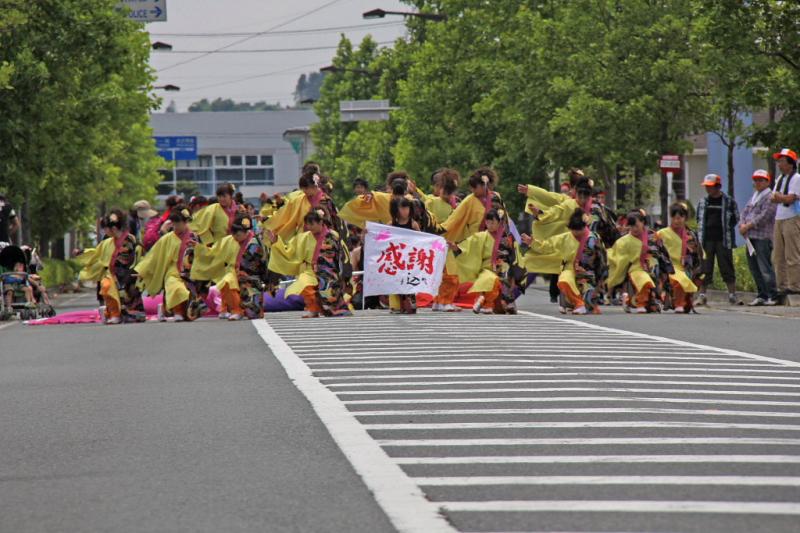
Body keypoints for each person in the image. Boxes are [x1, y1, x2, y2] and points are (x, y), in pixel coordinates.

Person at [267, 210, 352, 318]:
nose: (309, 227)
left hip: (329, 270)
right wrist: (276, 242)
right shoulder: (303, 237)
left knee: (330, 291)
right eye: (307, 224)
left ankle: (332, 309)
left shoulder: (333, 235)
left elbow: (342, 253)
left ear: (320, 222)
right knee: (304, 284)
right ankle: (313, 309)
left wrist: (344, 271)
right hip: (309, 270)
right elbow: (289, 250)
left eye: (312, 224)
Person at [523, 208, 607, 315]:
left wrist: (601, 280)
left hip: (589, 273)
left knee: (589, 302)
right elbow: (548, 245)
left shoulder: (593, 238)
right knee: (563, 280)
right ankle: (579, 303)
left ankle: (586, 303)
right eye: (573, 230)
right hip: (570, 268)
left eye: (578, 230)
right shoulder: (565, 238)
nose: (575, 233)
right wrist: (533, 243)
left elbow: (602, 258)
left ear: (584, 227)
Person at [77, 209, 143, 324]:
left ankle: (120, 313)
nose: (104, 231)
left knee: (114, 286)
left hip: (127, 274)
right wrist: (82, 252)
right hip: (113, 274)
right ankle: (114, 313)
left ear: (113, 228)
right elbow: (96, 253)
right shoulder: (107, 242)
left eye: (105, 228)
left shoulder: (129, 239)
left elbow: (127, 259)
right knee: (106, 285)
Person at [135, 207, 200, 322]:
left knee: (190, 295)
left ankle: (175, 311)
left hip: (191, 271)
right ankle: (178, 312)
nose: (175, 227)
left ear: (185, 222)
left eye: (178, 223)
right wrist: (142, 271)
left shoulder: (194, 237)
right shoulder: (168, 238)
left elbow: (202, 254)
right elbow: (154, 255)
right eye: (173, 224)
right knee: (175, 287)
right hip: (173, 270)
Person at [452, 209, 519, 314]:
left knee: (502, 301)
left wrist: (514, 271)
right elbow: (468, 246)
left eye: (493, 222)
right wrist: (457, 248)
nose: (490, 225)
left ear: (499, 223)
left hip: (504, 269)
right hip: (487, 268)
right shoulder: (481, 236)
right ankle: (485, 301)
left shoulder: (507, 238)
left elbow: (514, 255)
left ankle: (486, 300)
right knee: (488, 279)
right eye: (488, 222)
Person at [607, 210, 673, 314]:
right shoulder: (623, 241)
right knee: (644, 281)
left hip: (653, 268)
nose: (634, 229)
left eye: (636, 226)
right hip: (636, 269)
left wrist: (667, 269)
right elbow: (618, 258)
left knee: (653, 306)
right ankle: (640, 303)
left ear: (643, 222)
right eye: (631, 226)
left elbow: (662, 252)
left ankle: (629, 300)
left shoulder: (653, 236)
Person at [192, 215, 256, 321]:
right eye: (233, 234)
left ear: (246, 232)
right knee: (226, 281)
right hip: (233, 270)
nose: (235, 237)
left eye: (238, 234)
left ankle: (238, 309)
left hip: (251, 273)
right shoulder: (228, 240)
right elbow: (213, 251)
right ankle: (235, 310)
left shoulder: (254, 242)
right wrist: (199, 247)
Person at [695, 173, 740, 305]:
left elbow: (735, 218)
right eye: (706, 186)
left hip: (723, 240)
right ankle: (702, 295)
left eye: (710, 186)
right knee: (705, 268)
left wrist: (727, 229)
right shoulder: (703, 201)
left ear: (718, 187)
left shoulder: (729, 201)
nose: (708, 189)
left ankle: (732, 294)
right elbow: (699, 218)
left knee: (726, 266)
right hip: (706, 240)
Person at [739, 170, 779, 306]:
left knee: (765, 267)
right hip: (750, 237)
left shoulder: (770, 197)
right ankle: (761, 294)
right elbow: (744, 212)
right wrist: (742, 224)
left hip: (762, 237)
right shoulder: (755, 196)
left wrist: (748, 226)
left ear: (767, 182)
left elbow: (765, 216)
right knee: (754, 268)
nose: (758, 182)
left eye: (761, 180)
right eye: (756, 180)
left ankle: (772, 295)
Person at [657, 203, 703, 313]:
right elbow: (654, 249)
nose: (677, 220)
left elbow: (697, 253)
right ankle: (678, 304)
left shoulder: (690, 235)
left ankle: (682, 301)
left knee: (700, 276)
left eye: (680, 217)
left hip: (686, 267)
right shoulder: (661, 233)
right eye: (674, 217)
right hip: (669, 267)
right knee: (680, 279)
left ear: (685, 218)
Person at [771, 148, 800, 296]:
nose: (779, 164)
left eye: (782, 161)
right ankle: (781, 286)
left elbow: (791, 198)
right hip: (779, 218)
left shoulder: (797, 178)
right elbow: (772, 197)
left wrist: (780, 197)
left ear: (791, 163)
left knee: (792, 253)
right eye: (778, 161)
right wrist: (782, 197)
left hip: (792, 217)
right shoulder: (779, 179)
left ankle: (795, 285)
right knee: (778, 255)